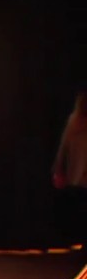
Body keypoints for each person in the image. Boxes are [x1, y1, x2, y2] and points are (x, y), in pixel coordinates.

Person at [52, 91, 87, 243]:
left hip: (80, 175)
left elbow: (64, 146)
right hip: (78, 175)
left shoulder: (74, 122)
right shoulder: (74, 121)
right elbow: (64, 145)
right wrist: (58, 167)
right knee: (79, 206)